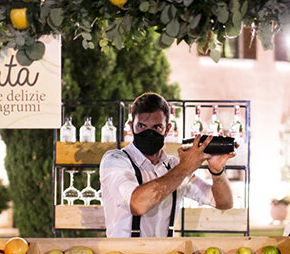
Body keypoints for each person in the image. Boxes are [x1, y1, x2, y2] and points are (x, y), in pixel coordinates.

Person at [99, 92, 235, 237]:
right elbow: (136, 204)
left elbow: (223, 203)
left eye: (157, 127)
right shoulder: (115, 160)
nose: (149, 133)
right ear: (131, 126)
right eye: (142, 126)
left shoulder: (172, 165)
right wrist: (184, 168)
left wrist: (217, 172)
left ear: (167, 129)